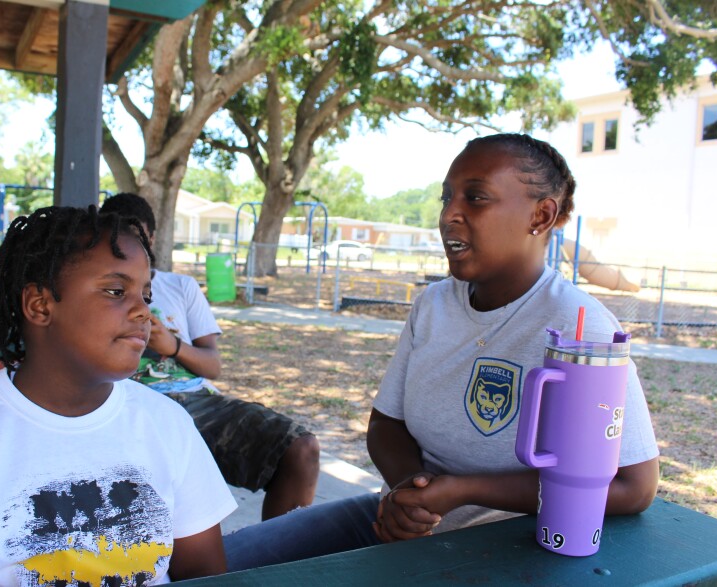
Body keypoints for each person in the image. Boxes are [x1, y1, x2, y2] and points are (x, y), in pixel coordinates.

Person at [222, 133, 660, 570]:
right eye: (447, 197)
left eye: (476, 198)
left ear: (540, 216)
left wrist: (462, 491)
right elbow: (386, 425)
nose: (450, 214)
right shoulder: (433, 305)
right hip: (398, 523)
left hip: (506, 549)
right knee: (218, 562)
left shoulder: (580, 327)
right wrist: (408, 496)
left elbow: (633, 487)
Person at [0, 206, 237, 586]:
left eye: (146, 295)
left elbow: (203, 572)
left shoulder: (166, 423)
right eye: (116, 290)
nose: (142, 313)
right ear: (40, 305)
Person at [100, 193, 320, 520]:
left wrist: (171, 346)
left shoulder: (181, 287)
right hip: (125, 399)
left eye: (139, 239)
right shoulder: (94, 289)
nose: (129, 250)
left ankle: (276, 561)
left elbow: (213, 365)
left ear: (153, 239)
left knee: (301, 449)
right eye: (118, 240)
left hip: (195, 401)